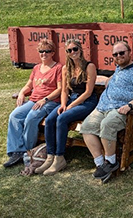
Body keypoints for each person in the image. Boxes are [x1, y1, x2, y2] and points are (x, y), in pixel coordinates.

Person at [80, 41, 133, 182]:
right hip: (103, 107)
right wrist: (109, 81)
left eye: (121, 53)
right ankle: (101, 164)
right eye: (115, 54)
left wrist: (130, 106)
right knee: (86, 127)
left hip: (122, 110)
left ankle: (111, 161)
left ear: (130, 53)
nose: (118, 56)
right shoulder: (119, 69)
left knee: (107, 125)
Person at [35, 39, 98, 176]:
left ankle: (60, 158)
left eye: (75, 49)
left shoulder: (89, 66)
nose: (73, 52)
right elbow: (64, 90)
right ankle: (50, 156)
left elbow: (88, 92)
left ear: (80, 49)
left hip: (87, 102)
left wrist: (70, 106)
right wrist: (64, 104)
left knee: (62, 119)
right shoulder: (65, 68)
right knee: (51, 119)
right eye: (69, 50)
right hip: (71, 100)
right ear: (67, 53)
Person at [4, 40, 62, 168]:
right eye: (41, 51)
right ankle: (17, 151)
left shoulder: (58, 68)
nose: (44, 54)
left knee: (31, 118)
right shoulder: (36, 68)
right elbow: (29, 85)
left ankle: (28, 151)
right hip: (33, 100)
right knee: (14, 115)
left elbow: (59, 89)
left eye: (47, 51)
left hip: (50, 102)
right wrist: (21, 93)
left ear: (52, 53)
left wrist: (45, 99)